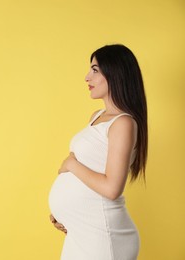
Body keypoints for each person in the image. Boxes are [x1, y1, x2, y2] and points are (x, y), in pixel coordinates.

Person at [48, 44, 148, 260]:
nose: (87, 77)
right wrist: (65, 214)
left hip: (103, 235)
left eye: (95, 70)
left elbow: (112, 188)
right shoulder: (97, 116)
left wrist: (71, 165)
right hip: (82, 232)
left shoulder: (123, 123)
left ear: (115, 73)